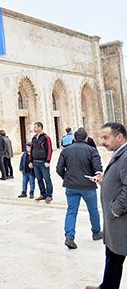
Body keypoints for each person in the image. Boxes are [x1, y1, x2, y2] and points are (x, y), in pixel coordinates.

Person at [86, 122, 127, 289]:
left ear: (119, 136)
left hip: (121, 220)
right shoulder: (120, 153)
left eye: (105, 137)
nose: (102, 141)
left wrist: (114, 210)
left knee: (115, 255)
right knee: (113, 256)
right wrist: (105, 180)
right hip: (116, 221)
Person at [56, 128, 103, 250]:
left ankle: (69, 237)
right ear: (86, 138)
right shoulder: (92, 150)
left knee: (71, 211)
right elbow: (98, 169)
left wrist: (66, 177)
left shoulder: (66, 150)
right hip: (88, 185)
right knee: (93, 210)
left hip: (71, 186)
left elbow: (59, 168)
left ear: (74, 138)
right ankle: (96, 232)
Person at [29, 122, 54, 204]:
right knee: (39, 179)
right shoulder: (34, 138)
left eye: (35, 127)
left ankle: (49, 195)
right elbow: (31, 150)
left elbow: (50, 150)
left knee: (47, 179)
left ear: (40, 127)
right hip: (35, 162)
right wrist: (30, 161)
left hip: (43, 162)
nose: (34, 128)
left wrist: (48, 161)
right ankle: (43, 194)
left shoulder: (46, 138)